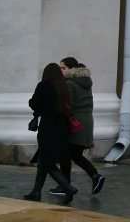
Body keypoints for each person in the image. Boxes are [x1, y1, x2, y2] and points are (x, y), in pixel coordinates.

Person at [23, 63, 78, 203]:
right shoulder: (63, 87)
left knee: (47, 162)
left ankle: (68, 188)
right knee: (43, 160)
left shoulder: (44, 86)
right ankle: (36, 192)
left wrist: (34, 102)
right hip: (62, 129)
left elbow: (34, 104)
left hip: (48, 129)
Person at [56, 58, 105, 196]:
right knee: (73, 154)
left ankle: (68, 185)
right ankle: (91, 177)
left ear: (71, 69)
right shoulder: (84, 82)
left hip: (74, 123)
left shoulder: (70, 83)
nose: (61, 70)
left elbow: (67, 105)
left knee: (68, 154)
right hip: (85, 122)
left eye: (63, 68)